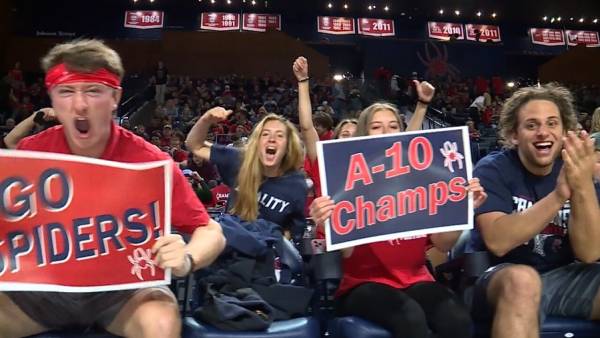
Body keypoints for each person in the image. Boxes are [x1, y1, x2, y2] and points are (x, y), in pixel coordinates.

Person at [0, 39, 226, 338]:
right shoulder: (31, 154)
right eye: (66, 91)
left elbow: (211, 231)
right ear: (52, 99)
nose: (80, 105)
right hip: (41, 292)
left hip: (123, 294)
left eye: (93, 91)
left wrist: (186, 257)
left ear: (116, 97)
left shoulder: (151, 162)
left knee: (160, 322)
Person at [309, 96, 487, 338]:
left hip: (415, 279)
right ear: (363, 135)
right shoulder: (345, 182)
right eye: (376, 127)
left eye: (393, 126)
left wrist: (462, 208)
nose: (386, 132)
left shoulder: (421, 182)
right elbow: (347, 254)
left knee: (457, 318)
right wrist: (328, 221)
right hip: (362, 284)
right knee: (410, 316)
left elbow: (444, 243)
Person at [470, 83, 600, 338]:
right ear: (514, 135)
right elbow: (498, 241)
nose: (543, 132)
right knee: (523, 281)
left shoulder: (576, 168)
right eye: (531, 125)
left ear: (564, 131)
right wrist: (559, 195)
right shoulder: (493, 169)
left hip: (564, 277)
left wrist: (582, 185)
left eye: (552, 123)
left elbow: (590, 251)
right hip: (500, 277)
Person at [185, 108, 307, 240]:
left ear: (288, 146)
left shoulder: (296, 184)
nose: (272, 139)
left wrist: (276, 246)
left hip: (266, 254)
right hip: (230, 248)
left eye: (280, 135)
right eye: (265, 134)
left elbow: (294, 228)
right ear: (257, 142)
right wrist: (205, 120)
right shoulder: (239, 160)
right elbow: (194, 145)